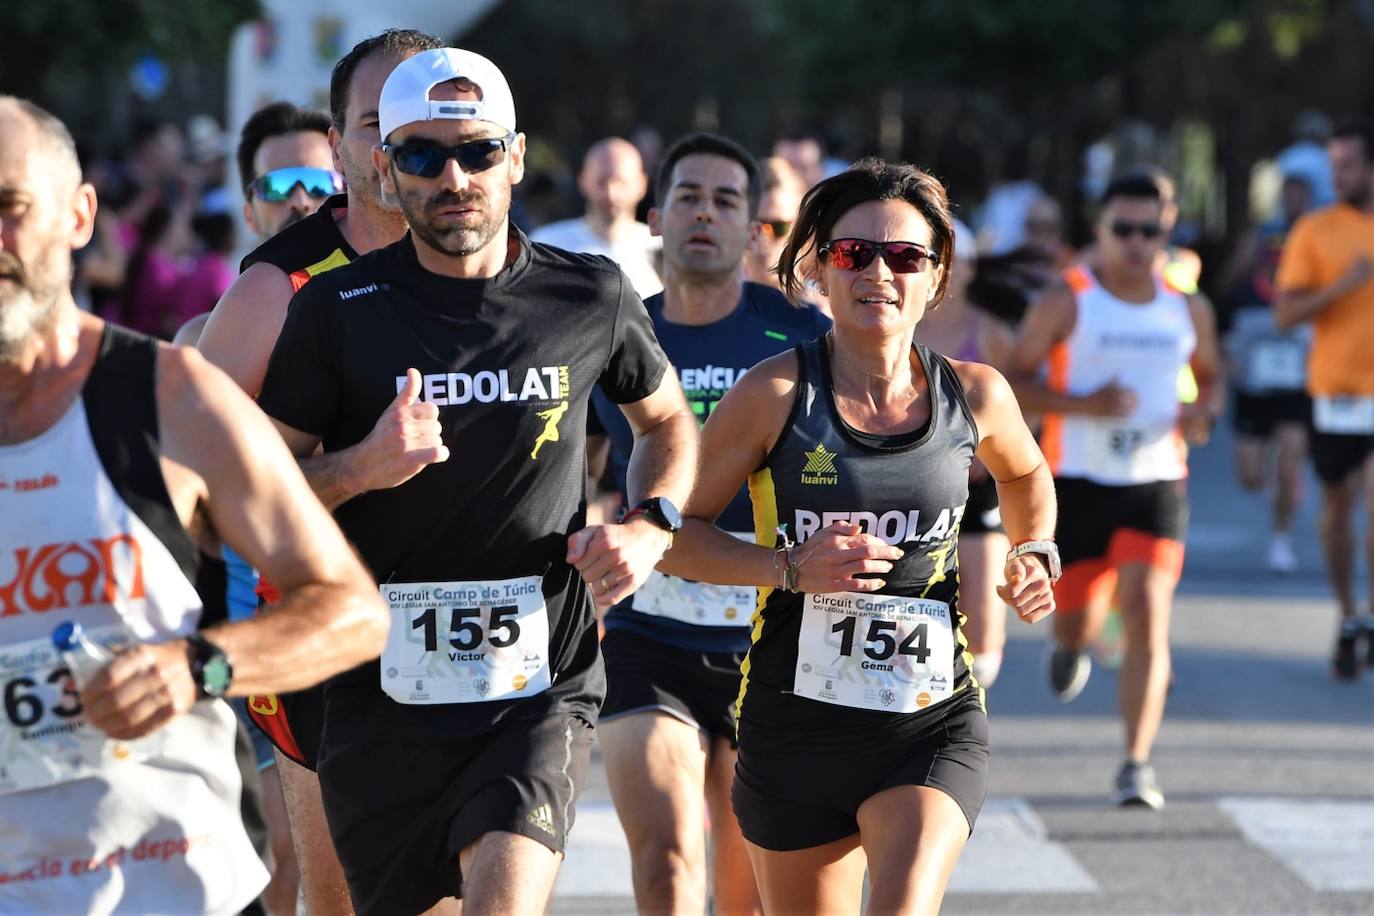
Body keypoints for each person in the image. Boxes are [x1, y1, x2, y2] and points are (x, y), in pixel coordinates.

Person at [256, 47, 697, 914]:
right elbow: (260, 494)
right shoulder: (333, 311)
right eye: (422, 155)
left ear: (517, 156)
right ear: (384, 168)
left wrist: (654, 522)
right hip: (377, 692)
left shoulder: (591, 296)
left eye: (478, 152)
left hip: (534, 684)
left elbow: (669, 422)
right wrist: (359, 466)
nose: (453, 176)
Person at [0, 95, 387, 915]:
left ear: (79, 217)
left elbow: (352, 613)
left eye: (10, 209)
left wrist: (197, 667)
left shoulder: (173, 396)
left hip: (171, 885)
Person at [658, 159, 1057, 914]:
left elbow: (1028, 475)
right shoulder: (773, 393)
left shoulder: (977, 394)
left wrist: (1033, 549)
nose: (881, 272)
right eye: (854, 253)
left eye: (906, 256)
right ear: (818, 267)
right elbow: (674, 538)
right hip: (794, 724)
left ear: (936, 278)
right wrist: (786, 567)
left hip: (929, 718)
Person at [195, 28, 443, 915]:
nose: (400, 145)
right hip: (322, 639)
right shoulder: (272, 290)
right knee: (337, 902)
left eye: (421, 119)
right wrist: (356, 471)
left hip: (475, 648)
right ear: (339, 147)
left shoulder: (505, 269)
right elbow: (202, 494)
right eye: (377, 123)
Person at [588, 132, 828, 914]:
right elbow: (578, 473)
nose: (704, 213)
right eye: (688, 196)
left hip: (771, 634)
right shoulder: (619, 336)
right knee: (666, 862)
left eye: (727, 200)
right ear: (655, 216)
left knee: (745, 888)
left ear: (758, 226)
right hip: (646, 633)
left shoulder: (801, 338)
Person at [1008, 171, 1223, 809]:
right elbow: (1013, 382)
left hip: (1155, 482)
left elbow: (1209, 378)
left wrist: (1201, 414)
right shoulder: (1066, 299)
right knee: (1073, 619)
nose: (1135, 243)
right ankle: (1070, 642)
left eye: (1149, 231)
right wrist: (1082, 404)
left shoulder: (1188, 306)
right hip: (1073, 483)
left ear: (1168, 229)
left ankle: (1136, 762)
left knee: (1148, 610)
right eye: (1122, 229)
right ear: (1100, 230)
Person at [1275, 118, 1374, 680]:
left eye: (1349, 165)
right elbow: (1286, 313)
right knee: (1337, 513)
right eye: (1334, 165)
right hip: (1335, 394)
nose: (1338, 175)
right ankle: (1348, 614)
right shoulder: (1316, 230)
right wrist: (1343, 286)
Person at [915, 218, 1016, 686]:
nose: (953, 273)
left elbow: (1023, 413)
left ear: (973, 269)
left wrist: (984, 450)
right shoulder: (899, 328)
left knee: (984, 621)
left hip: (979, 486)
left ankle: (967, 704)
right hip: (913, 485)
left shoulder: (992, 333)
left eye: (962, 263)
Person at [1220, 173, 1314, 575]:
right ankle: (1276, 488)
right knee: (1250, 475)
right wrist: (1229, 363)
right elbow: (1221, 325)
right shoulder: (1248, 276)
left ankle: (1280, 538)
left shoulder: (1316, 259)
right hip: (1254, 389)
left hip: (1295, 389)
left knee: (1291, 456)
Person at [531, 137, 662, 296]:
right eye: (601, 181)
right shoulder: (546, 247)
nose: (611, 193)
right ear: (583, 181)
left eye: (621, 182)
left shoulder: (662, 249)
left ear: (642, 184)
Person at [742, 156, 807, 292]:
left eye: (779, 227)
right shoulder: (716, 304)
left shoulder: (830, 306)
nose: (764, 238)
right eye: (755, 227)